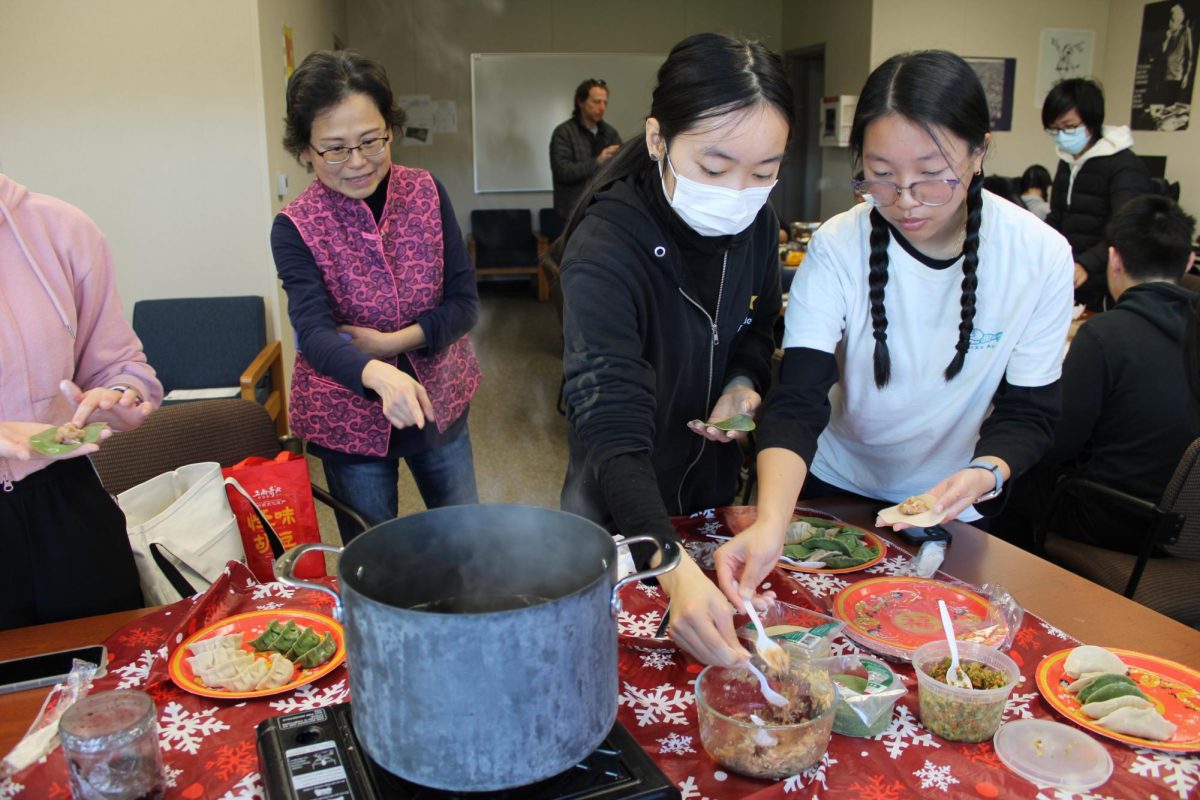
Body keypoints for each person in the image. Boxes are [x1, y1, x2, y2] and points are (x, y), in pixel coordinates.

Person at [704, 50, 1074, 663]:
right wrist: (772, 521)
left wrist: (985, 473)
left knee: (938, 660)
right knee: (817, 656)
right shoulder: (838, 246)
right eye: (880, 175)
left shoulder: (1039, 256)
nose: (905, 199)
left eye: (933, 174)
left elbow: (1030, 413)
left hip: (954, 506)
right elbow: (798, 398)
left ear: (979, 152)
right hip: (835, 491)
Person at [558, 33, 790, 666]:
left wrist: (743, 384)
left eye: (764, 173)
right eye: (715, 168)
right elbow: (608, 424)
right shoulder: (607, 243)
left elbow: (760, 327)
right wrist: (668, 564)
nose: (739, 191)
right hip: (619, 509)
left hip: (709, 500)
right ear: (658, 138)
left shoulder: (758, 222)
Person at [272, 50, 481, 541]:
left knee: (468, 542)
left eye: (371, 141)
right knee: (371, 555)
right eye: (336, 149)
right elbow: (315, 334)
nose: (359, 162)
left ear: (390, 128)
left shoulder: (426, 192)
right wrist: (375, 374)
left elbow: (464, 302)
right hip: (348, 416)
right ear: (305, 150)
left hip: (439, 399)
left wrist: (390, 345)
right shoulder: (295, 227)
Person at [0, 173, 163, 629]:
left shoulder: (59, 229)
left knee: (113, 670)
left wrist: (124, 391)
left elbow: (118, 363)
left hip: (66, 494)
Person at [993, 195, 1200, 553]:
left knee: (1006, 474)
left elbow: (1056, 443)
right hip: (1189, 526)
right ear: (1189, 261)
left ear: (1114, 258)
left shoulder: (1108, 334)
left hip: (1119, 520)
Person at [1042, 78, 1153, 311]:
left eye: (1069, 127)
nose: (1061, 135)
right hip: (1069, 277)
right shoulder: (1067, 161)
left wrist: (1087, 264)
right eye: (1054, 129)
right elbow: (1058, 216)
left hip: (1103, 283)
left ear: (1091, 122)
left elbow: (1128, 229)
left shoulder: (1124, 166)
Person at [549, 79, 622, 222]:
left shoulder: (610, 133)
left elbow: (622, 169)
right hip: (571, 213)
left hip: (602, 209)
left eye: (605, 102)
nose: (602, 107)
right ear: (580, 102)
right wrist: (598, 161)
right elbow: (562, 172)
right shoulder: (563, 132)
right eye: (596, 102)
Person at [1160, 4, 1194, 108]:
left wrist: (1186, 75)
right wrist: (1167, 38)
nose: (1170, 21)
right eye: (1170, 18)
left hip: (1177, 76)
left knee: (1174, 107)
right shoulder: (1168, 33)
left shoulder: (1185, 31)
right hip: (1166, 75)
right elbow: (1163, 52)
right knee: (1166, 106)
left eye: (1173, 18)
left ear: (1178, 19)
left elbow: (1190, 56)